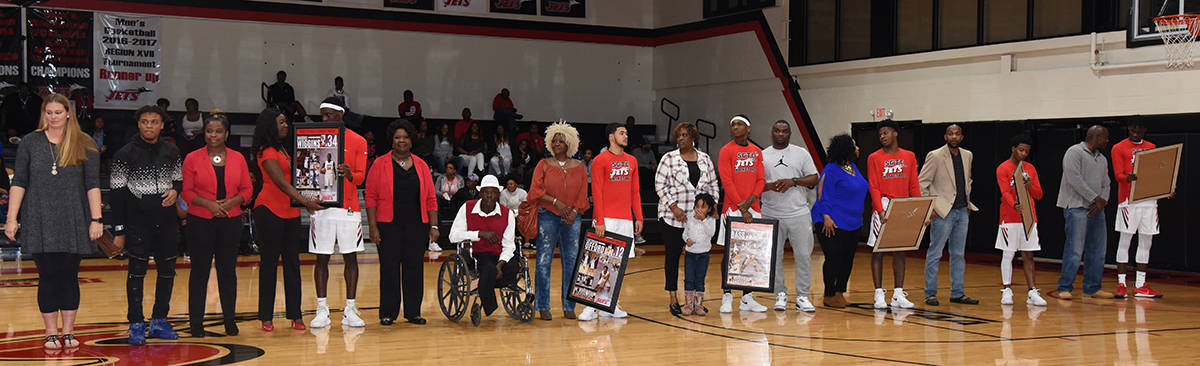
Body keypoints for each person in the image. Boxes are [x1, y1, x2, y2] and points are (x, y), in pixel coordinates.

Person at [6, 94, 101, 350]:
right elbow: (20, 182)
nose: (53, 117)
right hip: (39, 217)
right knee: (47, 276)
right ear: (43, 114)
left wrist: (96, 219)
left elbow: (92, 184)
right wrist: (11, 218)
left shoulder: (85, 143)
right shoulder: (30, 142)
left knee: (69, 276)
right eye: (49, 112)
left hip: (74, 218)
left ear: (68, 113)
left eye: (58, 112)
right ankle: (50, 332)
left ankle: (68, 331)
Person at [109, 105, 182, 345]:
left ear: (162, 125)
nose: (149, 126)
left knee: (167, 273)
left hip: (167, 223)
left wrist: (175, 191)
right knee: (136, 273)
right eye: (144, 121)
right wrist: (119, 231)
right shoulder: (124, 154)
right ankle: (136, 323)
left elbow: (178, 181)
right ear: (138, 124)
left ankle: (160, 320)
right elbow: (117, 197)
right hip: (137, 224)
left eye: (154, 121)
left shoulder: (172, 151)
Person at [252, 108, 325, 331]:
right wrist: (306, 202)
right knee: (269, 264)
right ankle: (266, 316)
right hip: (269, 209)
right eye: (282, 122)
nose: (286, 126)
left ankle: (295, 314)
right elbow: (281, 184)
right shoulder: (265, 151)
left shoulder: (284, 149)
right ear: (270, 125)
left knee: (293, 264)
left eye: (286, 122)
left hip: (290, 211)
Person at [182, 113, 252, 337]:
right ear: (204, 133)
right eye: (209, 131)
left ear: (227, 134)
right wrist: (210, 205)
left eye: (218, 131)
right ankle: (196, 323)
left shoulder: (238, 158)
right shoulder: (192, 158)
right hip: (200, 220)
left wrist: (231, 202)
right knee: (199, 272)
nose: (213, 135)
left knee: (227, 272)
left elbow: (247, 191)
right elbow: (187, 191)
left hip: (230, 222)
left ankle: (230, 320)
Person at [366, 119, 439, 325]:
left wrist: (433, 226)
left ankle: (413, 312)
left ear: (411, 140)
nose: (402, 141)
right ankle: (388, 312)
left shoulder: (421, 165)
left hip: (417, 225)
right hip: (388, 225)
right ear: (391, 140)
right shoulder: (379, 164)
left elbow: (431, 198)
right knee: (389, 268)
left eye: (405, 137)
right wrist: (373, 226)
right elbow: (370, 197)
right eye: (397, 137)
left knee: (414, 268)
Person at [308, 97, 369, 328]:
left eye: (328, 115)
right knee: (321, 258)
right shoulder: (314, 139)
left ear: (340, 116)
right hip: (322, 208)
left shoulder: (358, 141)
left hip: (348, 208)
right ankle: (321, 308)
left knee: (350, 258)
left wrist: (350, 173)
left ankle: (350, 308)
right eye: (322, 115)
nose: (324, 119)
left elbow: (362, 176)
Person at [653, 122, 718, 315]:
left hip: (698, 220)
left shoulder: (705, 159)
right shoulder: (669, 158)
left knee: (698, 260)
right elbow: (659, 185)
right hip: (673, 218)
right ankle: (673, 297)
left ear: (693, 138)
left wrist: (712, 207)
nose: (680, 139)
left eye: (684, 135)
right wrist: (674, 207)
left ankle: (696, 301)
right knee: (672, 258)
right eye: (678, 136)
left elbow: (713, 184)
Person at [527, 121, 589, 321]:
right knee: (544, 261)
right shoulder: (543, 164)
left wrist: (575, 211)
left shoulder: (579, 167)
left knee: (571, 261)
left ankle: (569, 306)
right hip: (548, 215)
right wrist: (556, 202)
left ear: (569, 143)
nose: (556, 144)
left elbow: (583, 192)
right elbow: (535, 191)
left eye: (560, 141)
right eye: (553, 141)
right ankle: (543, 306)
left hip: (573, 217)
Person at [580, 122, 642, 321]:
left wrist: (638, 216)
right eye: (622, 133)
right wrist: (599, 219)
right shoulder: (600, 160)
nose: (626, 136)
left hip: (625, 220)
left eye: (627, 133)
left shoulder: (632, 161)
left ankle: (609, 304)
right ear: (611, 136)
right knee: (598, 262)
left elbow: (635, 191)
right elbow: (596, 192)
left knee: (616, 265)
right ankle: (590, 306)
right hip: (606, 218)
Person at [917, 124, 980, 306]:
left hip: (962, 210)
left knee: (958, 254)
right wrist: (932, 208)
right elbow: (922, 184)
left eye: (957, 134)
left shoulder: (967, 155)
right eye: (950, 134)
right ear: (945, 136)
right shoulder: (935, 155)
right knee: (935, 252)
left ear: (961, 137)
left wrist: (967, 203)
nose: (954, 137)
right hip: (943, 212)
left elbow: (967, 180)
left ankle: (957, 292)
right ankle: (930, 293)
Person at [761, 120, 820, 312]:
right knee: (774, 257)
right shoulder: (762, 155)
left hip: (799, 213)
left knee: (803, 256)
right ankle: (780, 293)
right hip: (771, 213)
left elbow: (814, 178)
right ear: (772, 132)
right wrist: (771, 186)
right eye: (777, 130)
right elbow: (754, 184)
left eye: (784, 131)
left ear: (790, 133)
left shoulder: (801, 153)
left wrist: (793, 181)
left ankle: (802, 296)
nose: (780, 134)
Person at [716, 115, 769, 313]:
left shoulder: (757, 152)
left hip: (753, 208)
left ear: (748, 128)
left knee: (751, 254)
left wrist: (750, 202)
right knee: (731, 253)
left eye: (739, 124)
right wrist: (742, 208)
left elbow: (761, 179)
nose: (735, 127)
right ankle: (727, 295)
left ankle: (747, 297)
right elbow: (727, 181)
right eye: (732, 125)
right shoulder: (726, 151)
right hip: (733, 209)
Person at [449, 174, 521, 318]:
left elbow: (508, 245)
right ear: (480, 193)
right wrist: (479, 234)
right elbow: (453, 236)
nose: (489, 195)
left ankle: (486, 284)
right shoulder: (467, 208)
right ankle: (490, 305)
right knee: (488, 268)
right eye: (486, 192)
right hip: (477, 253)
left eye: (493, 192)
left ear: (498, 194)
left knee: (513, 267)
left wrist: (500, 265)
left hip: (500, 254)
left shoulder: (507, 214)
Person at [865, 120, 919, 309]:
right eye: (880, 134)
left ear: (895, 133)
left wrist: (920, 209)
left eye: (886, 132)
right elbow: (873, 186)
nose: (883, 136)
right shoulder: (873, 157)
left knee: (900, 250)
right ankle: (878, 294)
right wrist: (879, 209)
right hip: (884, 205)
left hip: (903, 206)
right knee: (878, 251)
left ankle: (898, 294)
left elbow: (914, 184)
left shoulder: (909, 156)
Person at [810, 134, 868, 308]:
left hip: (853, 222)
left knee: (847, 259)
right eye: (854, 146)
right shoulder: (831, 169)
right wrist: (827, 217)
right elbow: (823, 194)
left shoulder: (853, 167)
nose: (858, 149)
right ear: (845, 149)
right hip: (831, 221)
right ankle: (828, 294)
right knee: (834, 258)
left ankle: (839, 292)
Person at [1056, 125, 1114, 300]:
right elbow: (1074, 179)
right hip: (1076, 208)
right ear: (1096, 137)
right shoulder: (1074, 152)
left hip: (1097, 209)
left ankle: (1092, 287)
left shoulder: (1102, 159)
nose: (1107, 141)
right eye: (1105, 137)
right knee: (1075, 249)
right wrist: (1095, 198)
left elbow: (1107, 183)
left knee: (1098, 250)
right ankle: (1064, 287)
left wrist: (1102, 201)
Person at [1111, 121, 1164, 298]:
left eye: (1139, 130)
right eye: (1133, 130)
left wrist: (1166, 188)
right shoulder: (1118, 148)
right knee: (1125, 241)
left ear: (1144, 130)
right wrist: (1128, 177)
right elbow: (1118, 174)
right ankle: (1121, 284)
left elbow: (1157, 173)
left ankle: (1141, 285)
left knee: (1146, 243)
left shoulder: (1151, 147)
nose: (1135, 133)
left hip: (1149, 200)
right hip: (1128, 201)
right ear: (1128, 129)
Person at [995, 134, 1047, 307]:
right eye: (1021, 150)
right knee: (1008, 254)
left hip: (1029, 217)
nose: (1024, 154)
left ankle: (1032, 291)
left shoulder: (1030, 168)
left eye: (1027, 151)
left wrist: (1029, 184)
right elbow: (1004, 192)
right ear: (1013, 149)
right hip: (1009, 217)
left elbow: (1039, 194)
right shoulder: (1003, 168)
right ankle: (1007, 289)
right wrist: (1014, 204)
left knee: (1028, 254)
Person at [680, 193, 717, 316]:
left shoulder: (711, 220)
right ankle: (688, 305)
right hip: (690, 255)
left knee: (700, 280)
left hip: (704, 255)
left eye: (703, 207)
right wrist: (687, 240)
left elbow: (711, 233)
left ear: (709, 209)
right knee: (689, 279)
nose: (699, 210)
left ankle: (699, 305)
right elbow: (685, 233)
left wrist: (703, 221)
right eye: (697, 207)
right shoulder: (690, 217)